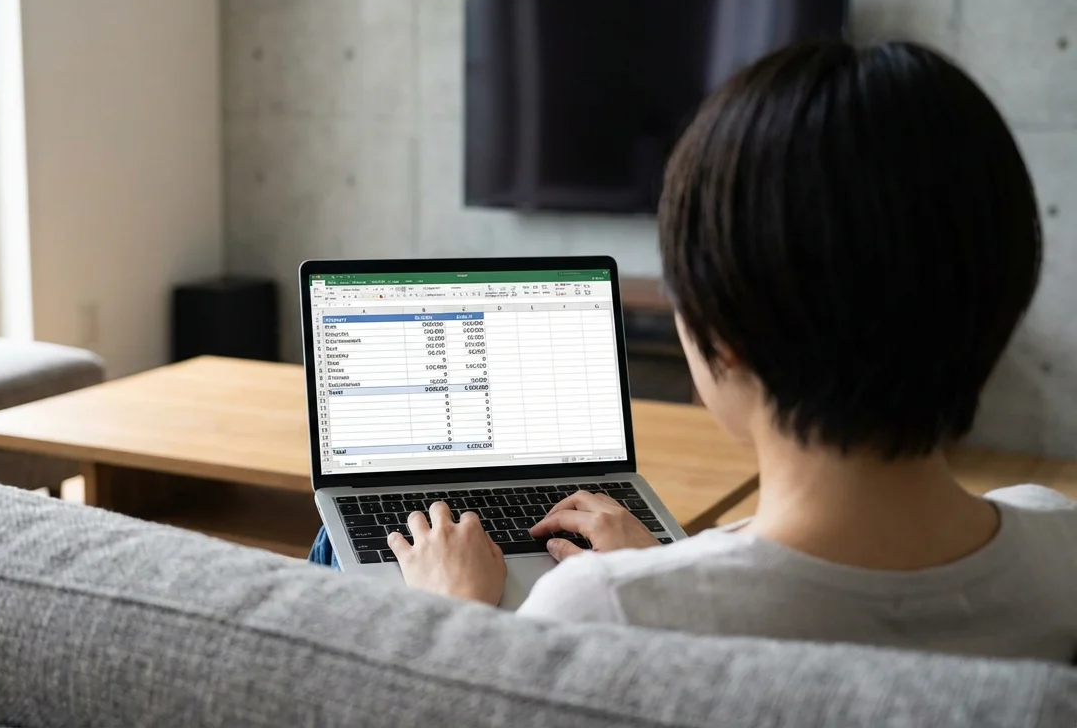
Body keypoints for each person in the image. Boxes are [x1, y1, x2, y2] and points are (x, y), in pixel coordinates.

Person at [320, 40, 1077, 663]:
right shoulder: (1058, 539)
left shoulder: (605, 609)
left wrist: (454, 620)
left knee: (333, 546)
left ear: (728, 336)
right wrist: (658, 560)